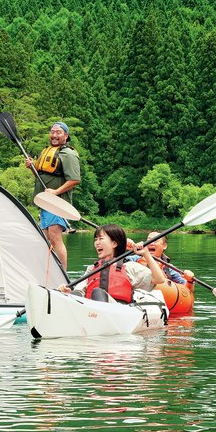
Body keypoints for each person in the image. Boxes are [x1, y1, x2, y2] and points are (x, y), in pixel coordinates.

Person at [24, 121, 82, 269]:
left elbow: (74, 179)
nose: (54, 135)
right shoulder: (46, 151)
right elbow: (41, 177)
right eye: (52, 132)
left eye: (59, 132)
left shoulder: (68, 154)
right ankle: (49, 272)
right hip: (45, 203)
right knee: (46, 239)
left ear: (66, 135)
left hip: (57, 203)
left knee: (55, 239)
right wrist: (32, 167)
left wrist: (55, 192)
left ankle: (63, 275)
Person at [80, 224, 170, 304]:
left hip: (119, 310)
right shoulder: (92, 268)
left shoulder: (129, 267)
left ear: (114, 243)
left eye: (101, 239)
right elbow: (79, 291)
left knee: (97, 292)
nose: (97, 243)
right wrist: (67, 291)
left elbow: (159, 279)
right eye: (96, 239)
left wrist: (146, 253)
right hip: (92, 312)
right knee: (74, 294)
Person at [145, 230, 196, 316]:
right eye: (149, 240)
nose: (151, 243)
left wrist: (190, 280)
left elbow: (188, 290)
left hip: (161, 300)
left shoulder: (168, 268)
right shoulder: (133, 259)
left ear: (164, 246)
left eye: (155, 240)